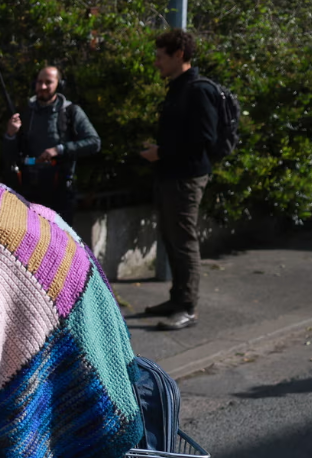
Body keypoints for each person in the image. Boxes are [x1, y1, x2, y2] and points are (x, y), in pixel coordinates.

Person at [139, 28, 218, 332]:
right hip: (171, 175)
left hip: (186, 178)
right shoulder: (178, 87)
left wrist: (162, 152)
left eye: (161, 57)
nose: (156, 63)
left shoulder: (198, 90)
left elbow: (204, 140)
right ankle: (177, 299)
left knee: (184, 242)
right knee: (173, 239)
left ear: (179, 56)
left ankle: (187, 307)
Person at [2, 66, 101, 225]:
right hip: (30, 193)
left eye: (48, 82)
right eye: (39, 82)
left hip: (61, 192)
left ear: (59, 85)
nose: (42, 87)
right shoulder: (26, 113)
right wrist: (10, 135)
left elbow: (94, 143)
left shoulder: (70, 112)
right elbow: (10, 156)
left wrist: (59, 150)